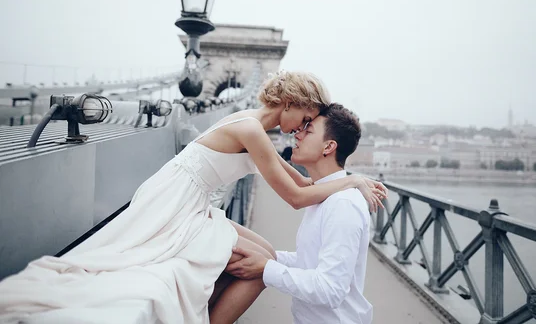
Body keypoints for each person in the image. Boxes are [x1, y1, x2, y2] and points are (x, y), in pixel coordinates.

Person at [0, 71, 387, 324]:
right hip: (175, 203)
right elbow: (297, 199)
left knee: (264, 255)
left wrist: (349, 179)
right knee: (260, 268)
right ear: (289, 103)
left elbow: (303, 186)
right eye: (305, 117)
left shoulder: (255, 130)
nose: (303, 127)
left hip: (189, 202)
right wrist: (350, 182)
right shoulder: (251, 130)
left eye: (310, 125)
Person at [226, 103, 373, 324]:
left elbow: (330, 290)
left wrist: (266, 267)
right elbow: (309, 262)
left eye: (308, 130)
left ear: (329, 147)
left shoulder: (343, 204)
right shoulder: (324, 195)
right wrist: (266, 257)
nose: (297, 134)